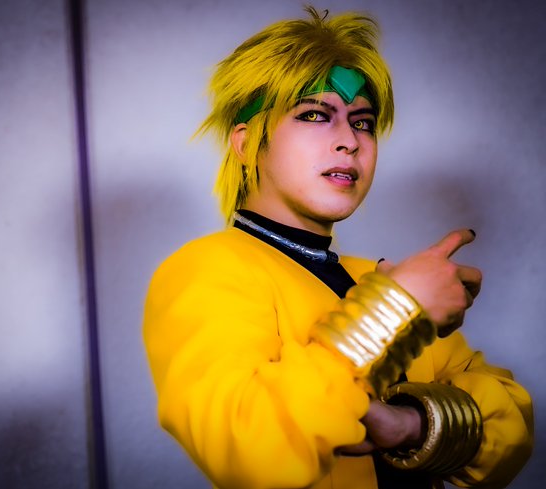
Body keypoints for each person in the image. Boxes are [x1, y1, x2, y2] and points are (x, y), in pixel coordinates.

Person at [143, 7, 533, 489]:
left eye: (363, 122)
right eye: (314, 115)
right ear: (245, 144)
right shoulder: (206, 269)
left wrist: (412, 424)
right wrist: (394, 310)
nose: (349, 141)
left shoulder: (380, 276)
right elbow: (251, 450)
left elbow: (511, 431)